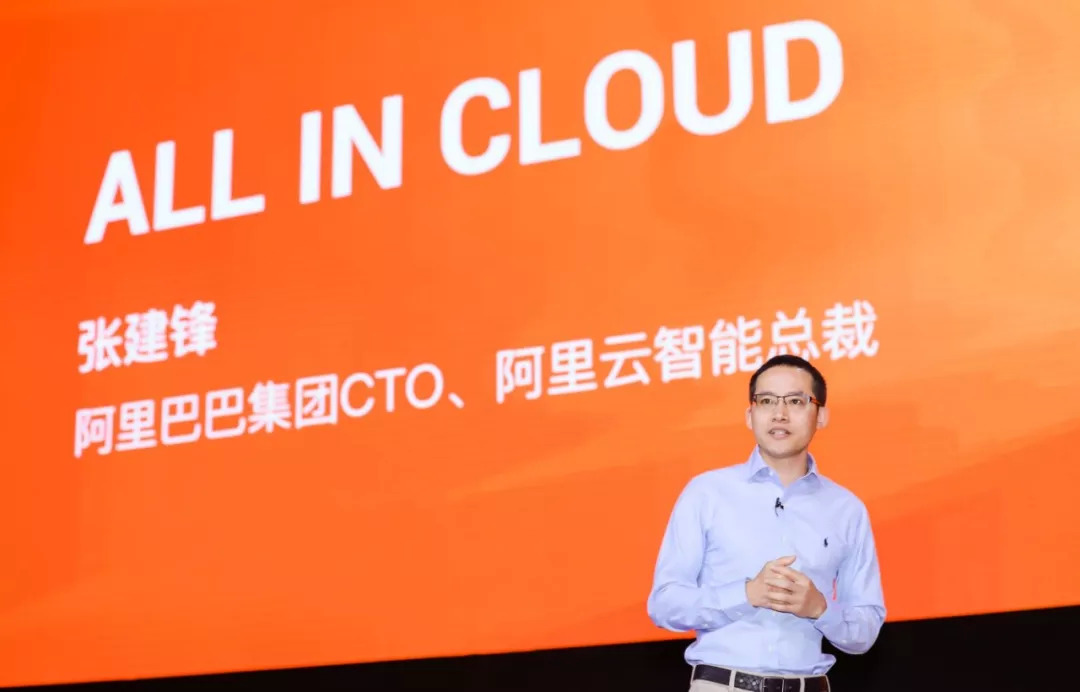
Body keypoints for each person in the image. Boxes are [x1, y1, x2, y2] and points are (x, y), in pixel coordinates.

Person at [646, 354, 885, 691]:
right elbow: (665, 604)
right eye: (767, 401)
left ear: (821, 416)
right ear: (750, 415)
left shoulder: (847, 509)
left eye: (796, 401)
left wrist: (820, 608)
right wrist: (746, 594)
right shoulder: (707, 493)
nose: (779, 414)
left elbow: (865, 629)